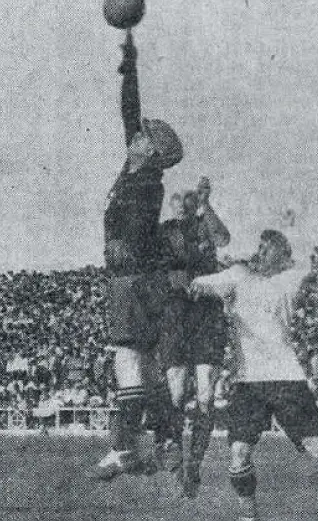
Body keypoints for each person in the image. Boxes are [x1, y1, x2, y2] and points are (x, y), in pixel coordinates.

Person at [191, 231, 318, 521]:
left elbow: (306, 259)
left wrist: (274, 255)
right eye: (259, 247)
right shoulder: (237, 276)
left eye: (267, 249)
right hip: (247, 381)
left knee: (314, 446)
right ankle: (248, 516)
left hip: (286, 377)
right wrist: (225, 272)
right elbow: (198, 284)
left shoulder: (288, 280)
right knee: (239, 453)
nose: (260, 252)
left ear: (282, 256)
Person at [90, 28, 184, 480]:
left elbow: (141, 233)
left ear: (150, 150)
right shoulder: (139, 168)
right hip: (140, 278)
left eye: (142, 136)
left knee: (128, 357)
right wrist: (129, 66)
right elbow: (131, 110)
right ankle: (167, 438)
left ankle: (126, 446)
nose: (134, 135)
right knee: (144, 363)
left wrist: (123, 248)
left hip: (133, 277)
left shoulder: (147, 183)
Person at [157, 178, 231, 497]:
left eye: (191, 204)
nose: (185, 209)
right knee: (175, 392)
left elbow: (223, 239)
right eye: (180, 205)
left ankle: (194, 465)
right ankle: (176, 454)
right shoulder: (165, 232)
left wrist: (207, 204)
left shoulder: (205, 224)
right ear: (173, 209)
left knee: (205, 397)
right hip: (176, 313)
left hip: (206, 315)